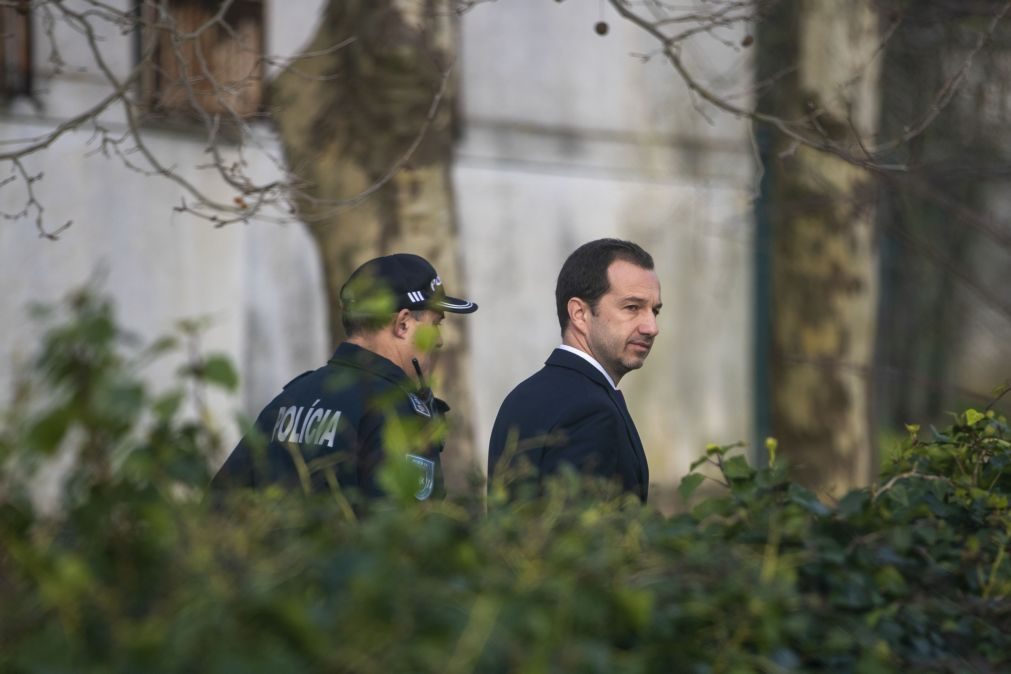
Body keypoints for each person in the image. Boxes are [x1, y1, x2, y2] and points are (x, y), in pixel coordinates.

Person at [210, 253, 477, 504]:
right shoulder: (395, 412)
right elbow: (406, 538)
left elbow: (220, 506)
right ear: (403, 323)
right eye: (436, 324)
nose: (439, 341)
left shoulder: (289, 399)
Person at [487, 238, 660, 502]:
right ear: (579, 314)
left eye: (654, 311)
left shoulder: (520, 397)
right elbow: (580, 536)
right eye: (632, 307)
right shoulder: (592, 411)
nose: (651, 327)